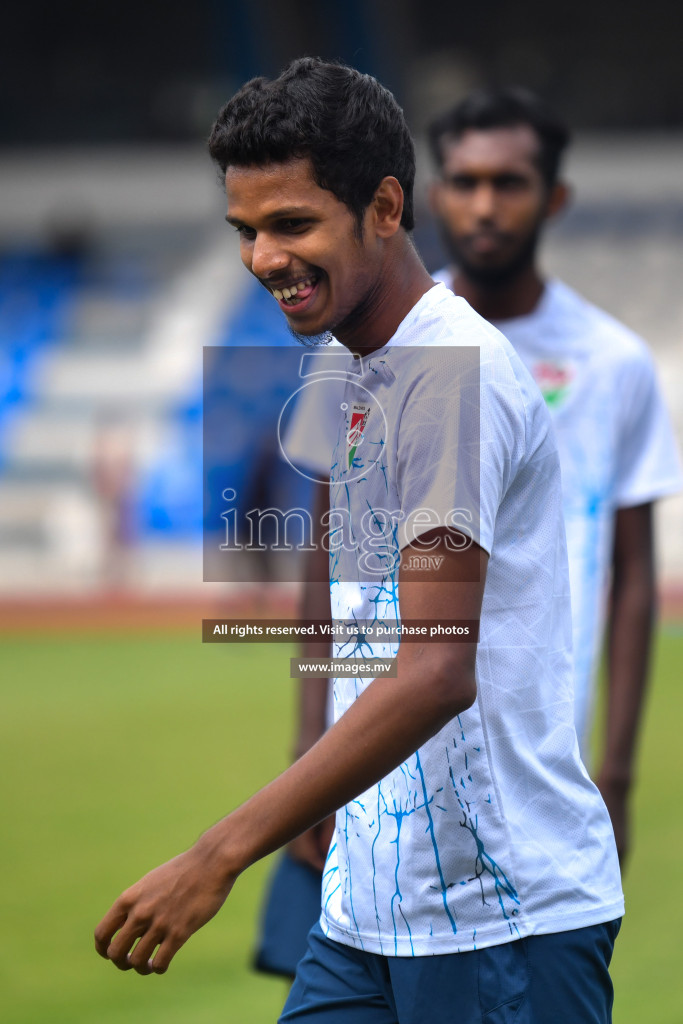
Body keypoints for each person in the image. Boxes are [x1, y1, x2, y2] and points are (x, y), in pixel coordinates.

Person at [95, 59, 624, 1023]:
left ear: (384, 208)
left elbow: (432, 672)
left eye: (291, 224)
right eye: (245, 231)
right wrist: (320, 784)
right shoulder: (343, 363)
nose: (260, 258)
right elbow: (349, 606)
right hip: (366, 910)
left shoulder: (449, 373)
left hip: (499, 921)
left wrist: (217, 856)